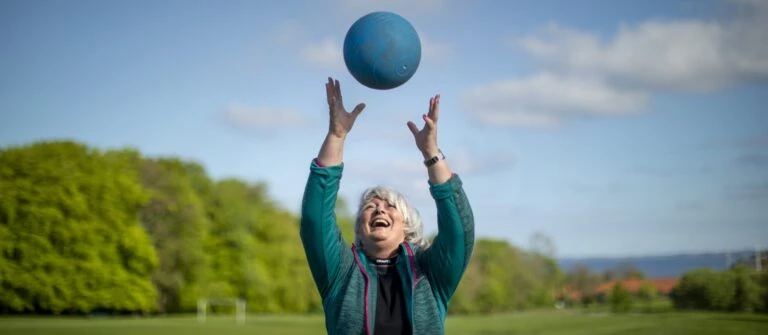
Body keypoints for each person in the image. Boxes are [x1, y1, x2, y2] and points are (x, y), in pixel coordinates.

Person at [300, 77, 475, 335]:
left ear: (408, 226)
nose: (380, 209)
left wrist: (431, 153)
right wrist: (336, 136)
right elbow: (315, 219)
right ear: (359, 228)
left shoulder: (430, 272)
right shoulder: (340, 272)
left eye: (390, 206)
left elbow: (459, 230)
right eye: (370, 206)